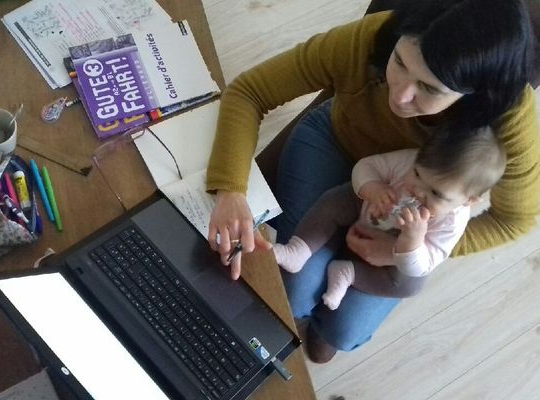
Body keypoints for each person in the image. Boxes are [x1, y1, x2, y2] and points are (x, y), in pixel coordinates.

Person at [206, 0, 540, 363]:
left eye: (430, 89)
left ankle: (323, 330)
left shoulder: (508, 119)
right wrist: (232, 191)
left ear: (473, 95)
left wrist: (413, 246)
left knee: (345, 329)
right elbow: (250, 91)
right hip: (336, 144)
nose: (399, 95)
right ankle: (309, 318)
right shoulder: (369, 37)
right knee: (296, 289)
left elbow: (514, 220)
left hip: (408, 219)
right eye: (398, 63)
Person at [271, 127, 506, 311]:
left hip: (390, 256)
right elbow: (367, 166)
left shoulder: (452, 223)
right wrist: (372, 188)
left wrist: (411, 240)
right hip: (363, 211)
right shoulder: (409, 161)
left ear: (468, 201)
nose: (417, 190)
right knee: (335, 199)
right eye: (417, 175)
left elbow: (425, 263)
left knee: (411, 284)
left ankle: (349, 272)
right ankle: (298, 250)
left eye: (435, 194)